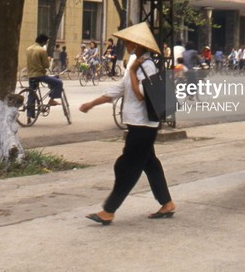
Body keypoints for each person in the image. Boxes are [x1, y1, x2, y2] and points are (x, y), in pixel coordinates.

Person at [80, 21, 175, 225]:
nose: (126, 44)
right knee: (151, 165)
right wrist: (91, 104)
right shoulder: (136, 64)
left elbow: (141, 95)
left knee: (127, 167)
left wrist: (132, 72)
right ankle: (167, 203)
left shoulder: (145, 66)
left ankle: (109, 210)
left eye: (128, 42)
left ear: (137, 44)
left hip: (143, 127)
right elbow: (118, 90)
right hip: (139, 125)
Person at [23, 34, 64, 123]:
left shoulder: (28, 49)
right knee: (58, 83)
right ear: (43, 42)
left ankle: (29, 116)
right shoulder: (41, 50)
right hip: (40, 75)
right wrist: (48, 59)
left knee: (32, 93)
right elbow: (46, 65)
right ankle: (52, 99)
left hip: (31, 75)